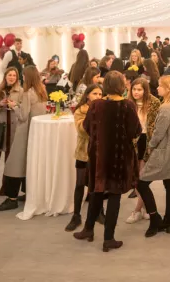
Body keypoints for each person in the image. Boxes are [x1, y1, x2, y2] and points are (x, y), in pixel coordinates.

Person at [73, 71, 140, 252]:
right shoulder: (128, 106)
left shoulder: (95, 106)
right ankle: (108, 238)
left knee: (96, 190)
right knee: (114, 195)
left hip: (99, 155)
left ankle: (88, 229)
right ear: (121, 85)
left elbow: (87, 127)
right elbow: (136, 131)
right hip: (119, 156)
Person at [138, 76, 170, 237]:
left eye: (160, 86)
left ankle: (154, 218)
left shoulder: (166, 108)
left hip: (163, 152)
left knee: (142, 183)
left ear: (168, 89)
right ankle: (168, 220)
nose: (157, 88)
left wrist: (150, 146)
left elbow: (159, 132)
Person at [0, 66, 47, 211]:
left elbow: (23, 116)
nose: (21, 78)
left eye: (23, 75)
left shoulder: (27, 93)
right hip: (34, 133)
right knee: (28, 165)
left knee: (13, 165)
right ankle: (27, 192)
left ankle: (11, 198)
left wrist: (14, 106)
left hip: (23, 133)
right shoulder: (41, 91)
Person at [66, 83, 104, 231]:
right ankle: (76, 215)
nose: (98, 97)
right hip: (83, 153)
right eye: (95, 94)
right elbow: (82, 131)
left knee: (98, 185)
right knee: (80, 184)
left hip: (99, 152)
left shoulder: (104, 110)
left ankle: (99, 212)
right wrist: (94, 115)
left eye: (100, 94)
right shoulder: (80, 111)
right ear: (87, 95)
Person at [125, 78, 162, 222]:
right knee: (135, 177)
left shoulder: (154, 103)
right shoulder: (127, 103)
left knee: (141, 177)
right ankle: (145, 206)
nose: (136, 92)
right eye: (134, 89)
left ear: (145, 90)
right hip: (133, 141)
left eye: (139, 89)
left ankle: (137, 210)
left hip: (147, 141)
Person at [0, 67, 24, 197]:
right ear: (5, 76)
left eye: (14, 75)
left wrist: (15, 106)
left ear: (17, 78)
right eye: (9, 75)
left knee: (9, 161)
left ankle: (5, 190)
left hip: (13, 129)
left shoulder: (21, 91)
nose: (12, 77)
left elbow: (22, 113)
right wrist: (0, 105)